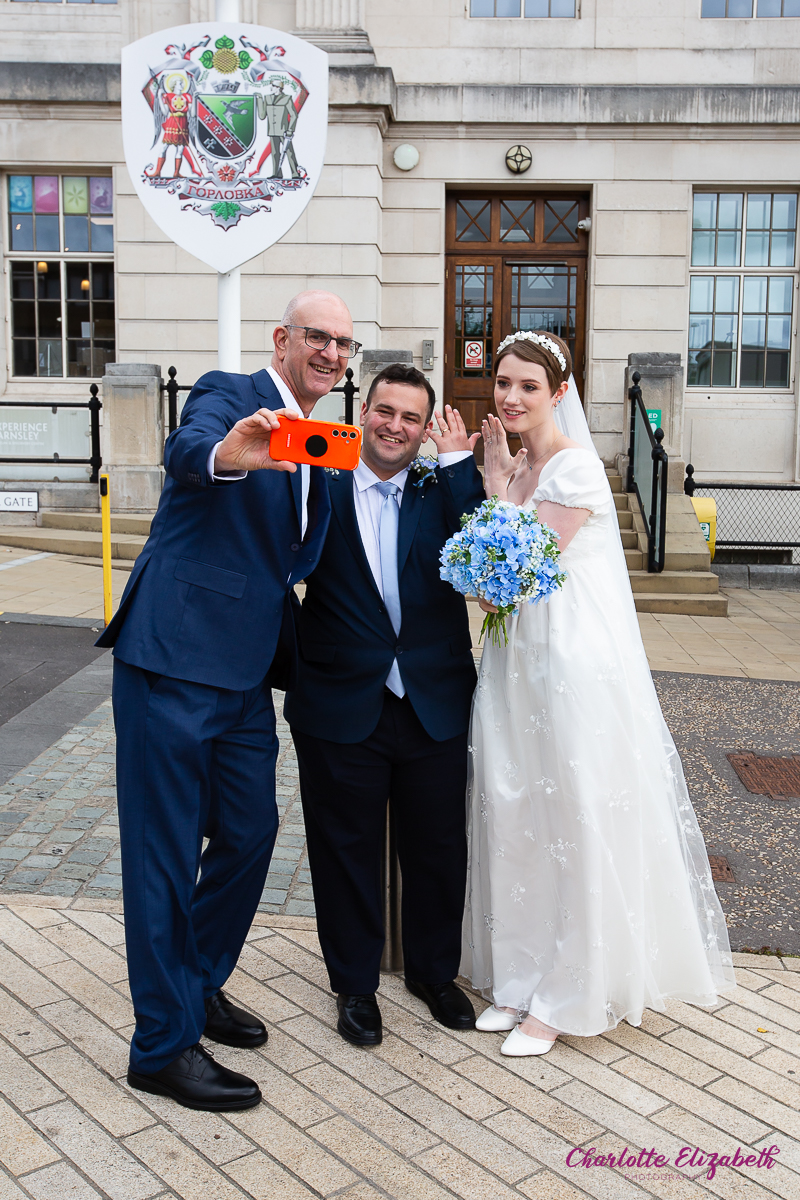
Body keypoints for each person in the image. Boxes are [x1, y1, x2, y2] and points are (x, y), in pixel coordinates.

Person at [96, 291, 358, 1110]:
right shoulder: (229, 394)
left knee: (250, 832)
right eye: (318, 336)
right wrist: (227, 457)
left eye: (344, 343)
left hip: (243, 674)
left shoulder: (330, 443)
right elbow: (189, 449)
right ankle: (162, 1046)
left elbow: (302, 553)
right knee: (164, 854)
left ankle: (197, 980)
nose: (332, 352)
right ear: (282, 339)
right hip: (172, 657)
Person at [461, 330, 734, 1057]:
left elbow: (512, 575)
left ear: (558, 393)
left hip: (568, 664)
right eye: (503, 383)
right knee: (515, 813)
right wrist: (499, 485)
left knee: (570, 821)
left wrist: (493, 492)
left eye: (527, 386)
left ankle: (565, 995)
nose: (511, 397)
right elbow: (494, 591)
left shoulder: (576, 471)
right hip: (517, 662)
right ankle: (518, 978)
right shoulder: (522, 465)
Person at [285, 363, 486, 1046]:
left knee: (437, 847)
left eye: (410, 417)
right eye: (384, 411)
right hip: (341, 702)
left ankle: (434, 974)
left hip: (432, 698)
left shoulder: (443, 488)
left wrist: (460, 463)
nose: (395, 427)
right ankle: (354, 985)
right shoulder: (322, 474)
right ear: (362, 409)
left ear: (424, 427)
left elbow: (487, 553)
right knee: (346, 850)